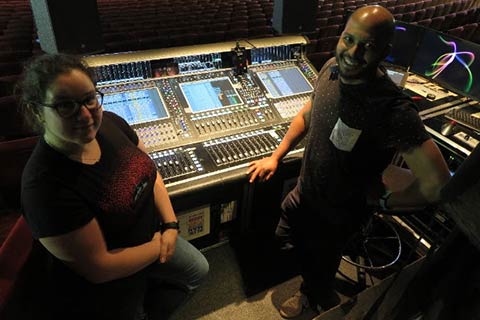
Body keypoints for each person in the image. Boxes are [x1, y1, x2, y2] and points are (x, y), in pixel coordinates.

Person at [247, 5, 451, 319]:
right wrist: (276, 155)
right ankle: (309, 282)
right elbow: (308, 113)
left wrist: (385, 200)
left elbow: (437, 184)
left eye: (367, 46)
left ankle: (314, 296)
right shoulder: (331, 67)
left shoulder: (393, 109)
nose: (353, 52)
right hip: (305, 192)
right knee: (285, 238)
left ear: (385, 50)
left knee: (322, 264)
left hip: (340, 213)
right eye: (348, 39)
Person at [16, 53, 209, 320]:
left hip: (156, 237)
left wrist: (171, 224)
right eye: (65, 105)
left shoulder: (111, 123)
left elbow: (149, 171)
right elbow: (100, 267)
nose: (84, 114)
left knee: (198, 270)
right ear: (37, 111)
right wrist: (160, 244)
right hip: (111, 286)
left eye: (89, 99)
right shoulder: (44, 187)